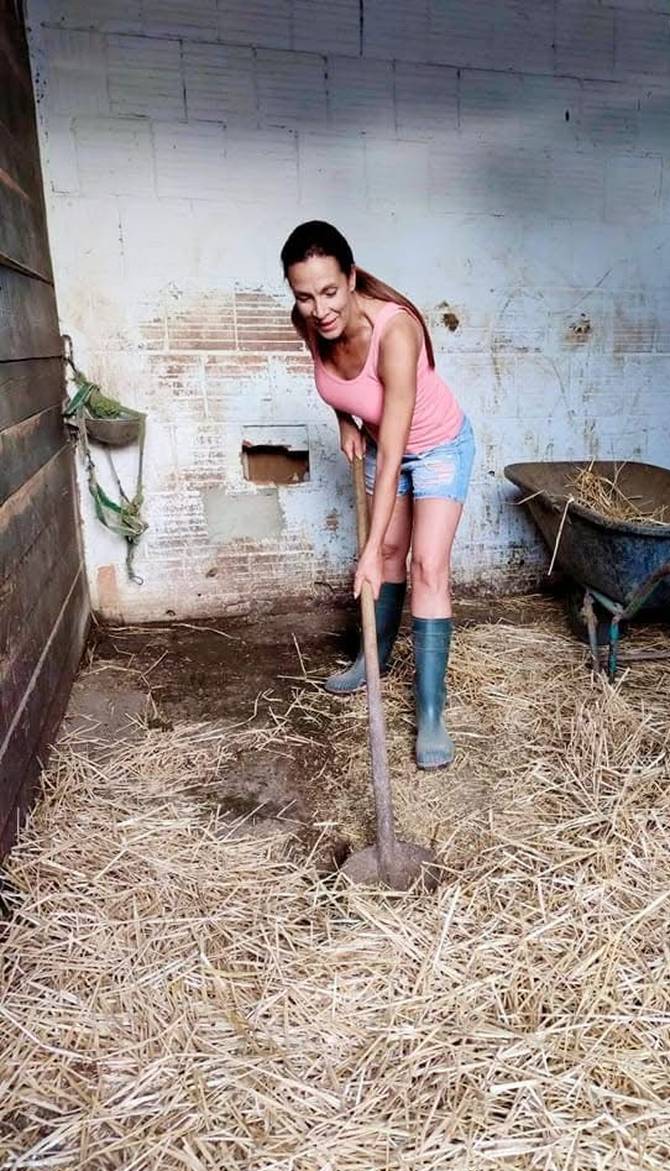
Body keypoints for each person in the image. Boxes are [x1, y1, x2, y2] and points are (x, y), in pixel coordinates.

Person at [280, 221, 475, 770]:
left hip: (435, 448)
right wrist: (344, 418)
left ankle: (430, 713)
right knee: (387, 553)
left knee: (426, 565)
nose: (319, 309)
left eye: (329, 291)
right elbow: (332, 379)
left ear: (351, 276)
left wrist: (364, 550)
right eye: (305, 296)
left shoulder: (396, 332)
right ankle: (373, 660)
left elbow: (393, 458)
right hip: (379, 442)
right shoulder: (308, 321)